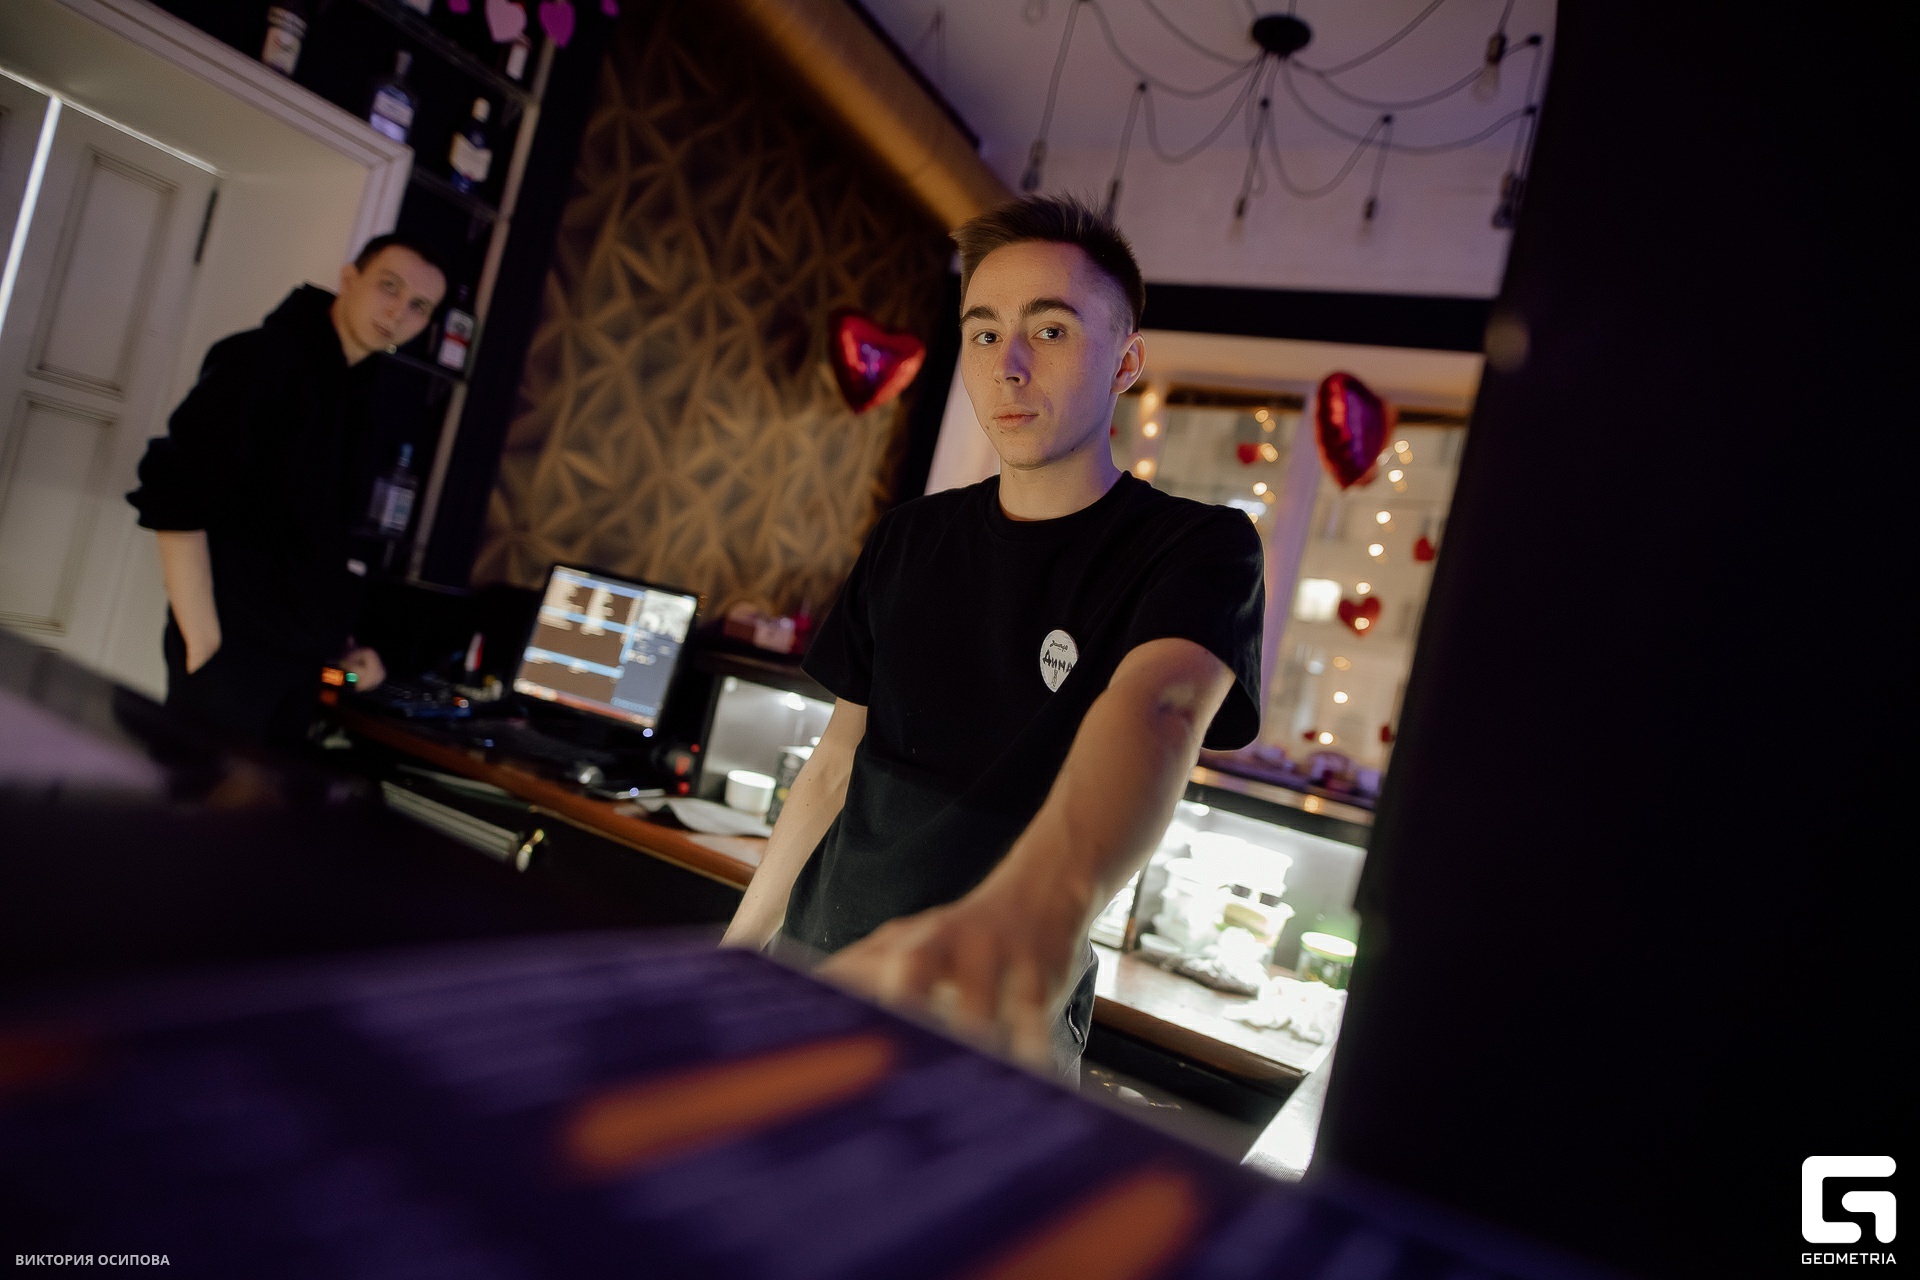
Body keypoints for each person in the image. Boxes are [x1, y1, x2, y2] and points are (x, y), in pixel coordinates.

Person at [722, 196, 1265, 1077]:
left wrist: (1033, 916)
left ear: (1125, 362)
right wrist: (739, 950)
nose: (1007, 366)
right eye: (984, 333)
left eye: (1050, 332)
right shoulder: (909, 538)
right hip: (816, 964)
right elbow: (834, 766)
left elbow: (1160, 711)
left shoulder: (1195, 548)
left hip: (998, 1001)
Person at [127, 233, 448, 746]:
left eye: (419, 307)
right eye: (389, 286)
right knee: (199, 795)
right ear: (349, 279)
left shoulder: (358, 392)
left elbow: (317, 538)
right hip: (232, 653)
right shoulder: (262, 357)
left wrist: (342, 644)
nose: (398, 313)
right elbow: (175, 497)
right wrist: (205, 642)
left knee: (270, 798)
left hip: (299, 662)